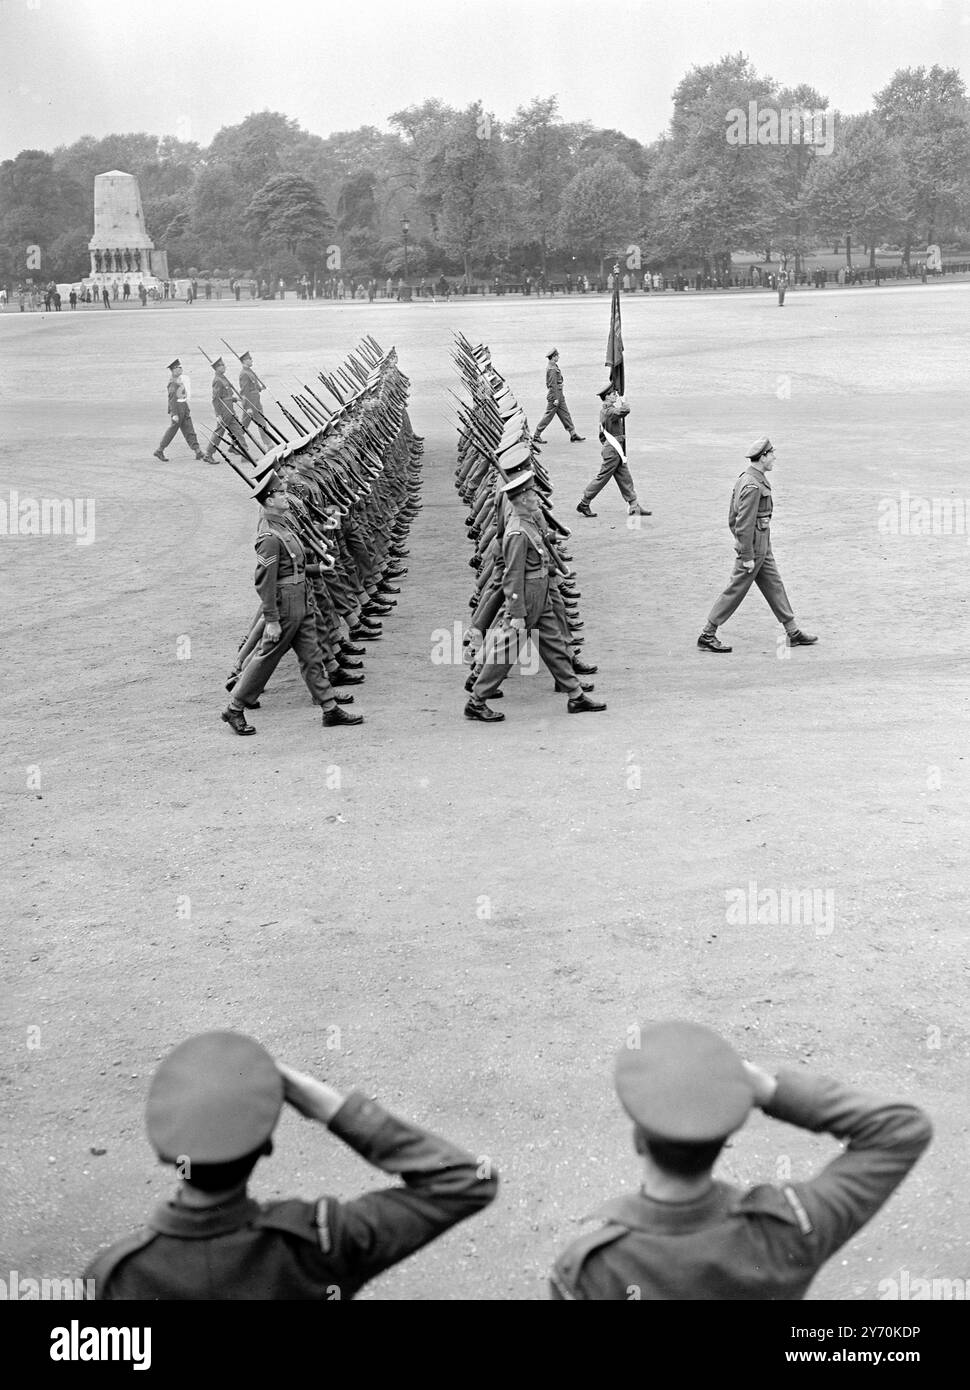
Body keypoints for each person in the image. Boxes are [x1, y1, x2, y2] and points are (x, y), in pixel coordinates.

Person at [84, 1030, 498, 1299]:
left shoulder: (115, 1277)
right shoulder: (317, 1244)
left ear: (167, 1154)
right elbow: (467, 1181)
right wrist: (322, 1104)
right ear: (266, 1147)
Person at [550, 1019, 932, 1300]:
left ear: (638, 1140)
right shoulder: (791, 1230)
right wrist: (770, 1091)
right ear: (725, 1140)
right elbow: (902, 1130)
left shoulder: (590, 1274)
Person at [222, 463, 363, 735]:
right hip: (285, 606)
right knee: (266, 658)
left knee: (312, 656)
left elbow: (295, 566)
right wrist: (272, 620)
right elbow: (265, 582)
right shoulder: (269, 536)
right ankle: (235, 707)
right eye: (282, 493)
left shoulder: (284, 527)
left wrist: (316, 569)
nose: (287, 496)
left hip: (302, 600)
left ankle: (329, 707)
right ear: (269, 500)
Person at [465, 471, 605, 723]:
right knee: (506, 652)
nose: (535, 497)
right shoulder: (516, 532)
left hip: (540, 594)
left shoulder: (527, 522)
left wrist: (553, 537)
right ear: (520, 499)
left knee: (554, 644)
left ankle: (575, 694)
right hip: (527, 598)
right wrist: (517, 613)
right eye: (531, 493)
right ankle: (477, 700)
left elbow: (539, 542)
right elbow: (512, 575)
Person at [697, 437, 817, 653]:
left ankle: (793, 631)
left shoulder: (749, 478)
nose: (774, 458)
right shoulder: (752, 485)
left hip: (762, 545)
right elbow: (742, 523)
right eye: (772, 455)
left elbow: (735, 517)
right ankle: (707, 634)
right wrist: (747, 555)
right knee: (736, 589)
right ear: (762, 457)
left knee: (774, 585)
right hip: (753, 546)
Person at [577, 383, 650, 518]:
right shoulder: (609, 411)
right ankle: (584, 502)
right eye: (613, 394)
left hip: (614, 448)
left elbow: (601, 435)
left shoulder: (605, 410)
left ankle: (634, 505)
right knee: (603, 477)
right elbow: (624, 411)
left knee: (625, 476)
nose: (615, 395)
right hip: (613, 449)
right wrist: (624, 402)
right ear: (607, 397)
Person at [154, 359, 205, 462]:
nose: (181, 369)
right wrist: (174, 414)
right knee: (172, 431)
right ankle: (160, 450)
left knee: (190, 430)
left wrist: (186, 408)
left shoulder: (178, 380)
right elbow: (172, 399)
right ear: (173, 370)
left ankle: (198, 451)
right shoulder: (173, 382)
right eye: (178, 368)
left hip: (183, 408)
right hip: (177, 410)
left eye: (181, 367)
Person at [532, 349, 584, 444]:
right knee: (548, 416)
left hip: (559, 394)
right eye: (557, 355)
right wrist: (556, 398)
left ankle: (573, 434)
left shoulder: (554, 366)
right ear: (554, 357)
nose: (558, 357)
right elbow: (552, 385)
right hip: (555, 395)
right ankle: (536, 435)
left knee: (565, 414)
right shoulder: (552, 369)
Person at [203, 357, 246, 462]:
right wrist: (218, 415)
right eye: (221, 366)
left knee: (238, 431)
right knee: (219, 432)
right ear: (216, 368)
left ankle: (245, 454)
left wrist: (235, 399)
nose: (224, 367)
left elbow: (226, 396)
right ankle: (208, 454)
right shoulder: (217, 380)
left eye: (224, 365)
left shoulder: (223, 378)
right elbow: (216, 399)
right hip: (224, 411)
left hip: (230, 409)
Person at [238, 350, 274, 448]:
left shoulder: (249, 372)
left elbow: (253, 387)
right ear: (245, 361)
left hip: (256, 403)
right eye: (249, 359)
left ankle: (269, 444)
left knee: (261, 422)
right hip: (250, 404)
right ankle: (234, 443)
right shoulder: (244, 374)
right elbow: (244, 392)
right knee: (243, 426)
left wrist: (260, 388)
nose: (251, 360)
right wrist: (248, 407)